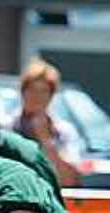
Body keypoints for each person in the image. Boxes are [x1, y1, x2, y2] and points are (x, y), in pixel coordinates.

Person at [11, 58, 82, 187]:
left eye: (43, 91)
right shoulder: (7, 128)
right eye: (32, 90)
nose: (37, 97)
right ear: (22, 92)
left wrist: (45, 139)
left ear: (51, 95)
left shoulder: (64, 131)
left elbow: (69, 180)